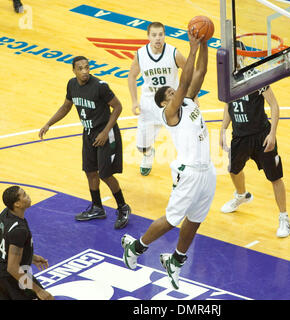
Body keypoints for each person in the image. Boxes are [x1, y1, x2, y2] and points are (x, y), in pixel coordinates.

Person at [122, 29, 215, 290]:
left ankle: (176, 259)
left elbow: (200, 73)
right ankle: (136, 246)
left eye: (175, 91)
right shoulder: (170, 114)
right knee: (172, 219)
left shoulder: (188, 102)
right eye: (170, 93)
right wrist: (192, 48)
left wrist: (204, 44)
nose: (176, 92)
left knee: (196, 218)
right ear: (164, 103)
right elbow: (185, 81)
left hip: (207, 170)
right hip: (189, 172)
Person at [39, 56, 131, 229]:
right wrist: (48, 123)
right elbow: (66, 107)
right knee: (90, 171)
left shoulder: (100, 87)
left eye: (87, 67)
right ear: (73, 70)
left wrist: (105, 132)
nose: (84, 71)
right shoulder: (72, 85)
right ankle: (97, 207)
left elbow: (118, 107)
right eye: (80, 68)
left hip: (105, 133)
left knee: (105, 174)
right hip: (88, 133)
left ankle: (123, 207)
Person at [219, 42, 290, 238]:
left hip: (261, 135)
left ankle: (284, 217)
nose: (233, 60)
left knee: (275, 177)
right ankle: (242, 196)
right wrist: (223, 129)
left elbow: (274, 106)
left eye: (236, 55)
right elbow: (229, 105)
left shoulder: (256, 76)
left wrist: (273, 134)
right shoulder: (227, 79)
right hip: (239, 136)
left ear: (242, 56)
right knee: (233, 170)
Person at [128, 21, 187, 176]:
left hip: (171, 103)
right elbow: (132, 76)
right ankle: (148, 154)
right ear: (148, 37)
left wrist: (189, 95)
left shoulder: (174, 52)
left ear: (164, 35)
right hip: (149, 103)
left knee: (182, 139)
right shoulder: (141, 54)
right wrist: (134, 101)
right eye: (154, 35)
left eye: (161, 34)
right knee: (141, 146)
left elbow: (189, 71)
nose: (158, 38)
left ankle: (185, 166)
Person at [0, 186, 54, 300]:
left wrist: (30, 257)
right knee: (45, 297)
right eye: (24, 195)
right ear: (17, 204)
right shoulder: (19, 230)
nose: (28, 196)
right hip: (10, 277)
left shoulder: (5, 213)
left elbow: (7, 245)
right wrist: (39, 291)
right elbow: (12, 268)